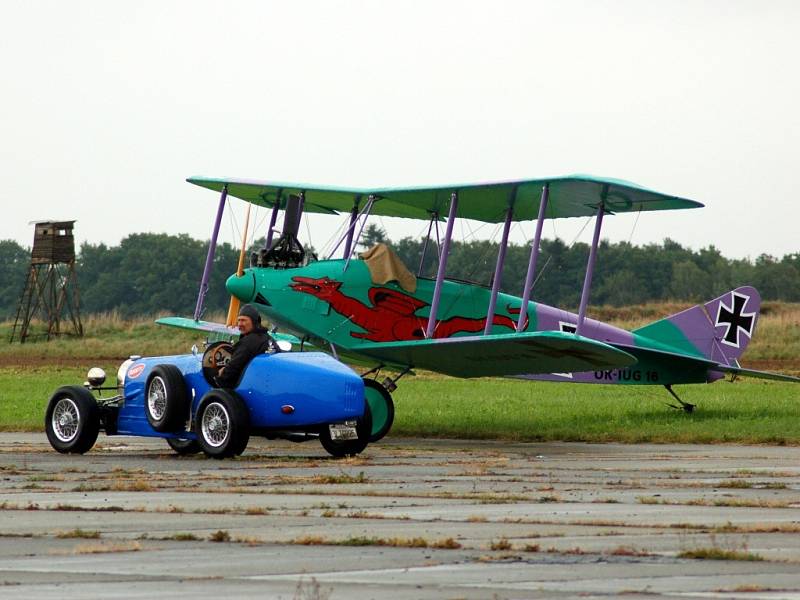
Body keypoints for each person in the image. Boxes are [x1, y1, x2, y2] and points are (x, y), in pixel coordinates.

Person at [215, 304, 276, 388]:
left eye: (243, 320)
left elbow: (233, 368)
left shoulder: (248, 343)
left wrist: (220, 376)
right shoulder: (268, 338)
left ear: (254, 322)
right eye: (239, 320)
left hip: (249, 387)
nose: (239, 324)